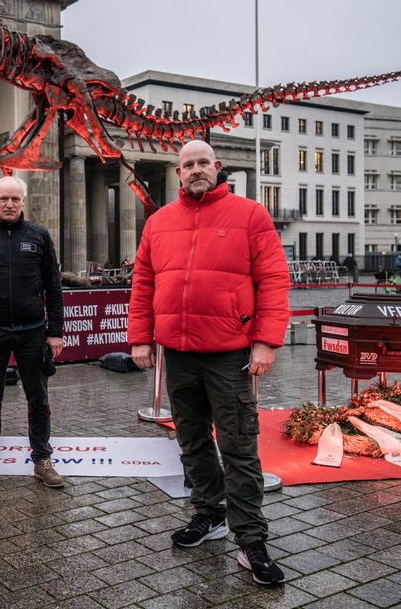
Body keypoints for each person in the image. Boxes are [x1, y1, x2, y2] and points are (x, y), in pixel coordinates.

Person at [128, 139, 290, 586]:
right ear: (178, 173)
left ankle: (251, 539)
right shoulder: (159, 222)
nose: (196, 170)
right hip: (178, 353)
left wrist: (266, 342)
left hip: (230, 352)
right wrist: (140, 337)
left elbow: (274, 279)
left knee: (238, 445)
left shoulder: (250, 216)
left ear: (217, 168)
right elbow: (143, 284)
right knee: (192, 440)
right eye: (188, 164)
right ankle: (209, 513)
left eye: (203, 163)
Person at [0, 175, 65, 490]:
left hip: (33, 332)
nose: (9, 204)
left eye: (15, 199)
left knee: (39, 399)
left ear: (23, 202)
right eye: (3, 198)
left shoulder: (39, 236)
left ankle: (42, 460)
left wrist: (55, 331)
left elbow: (53, 286)